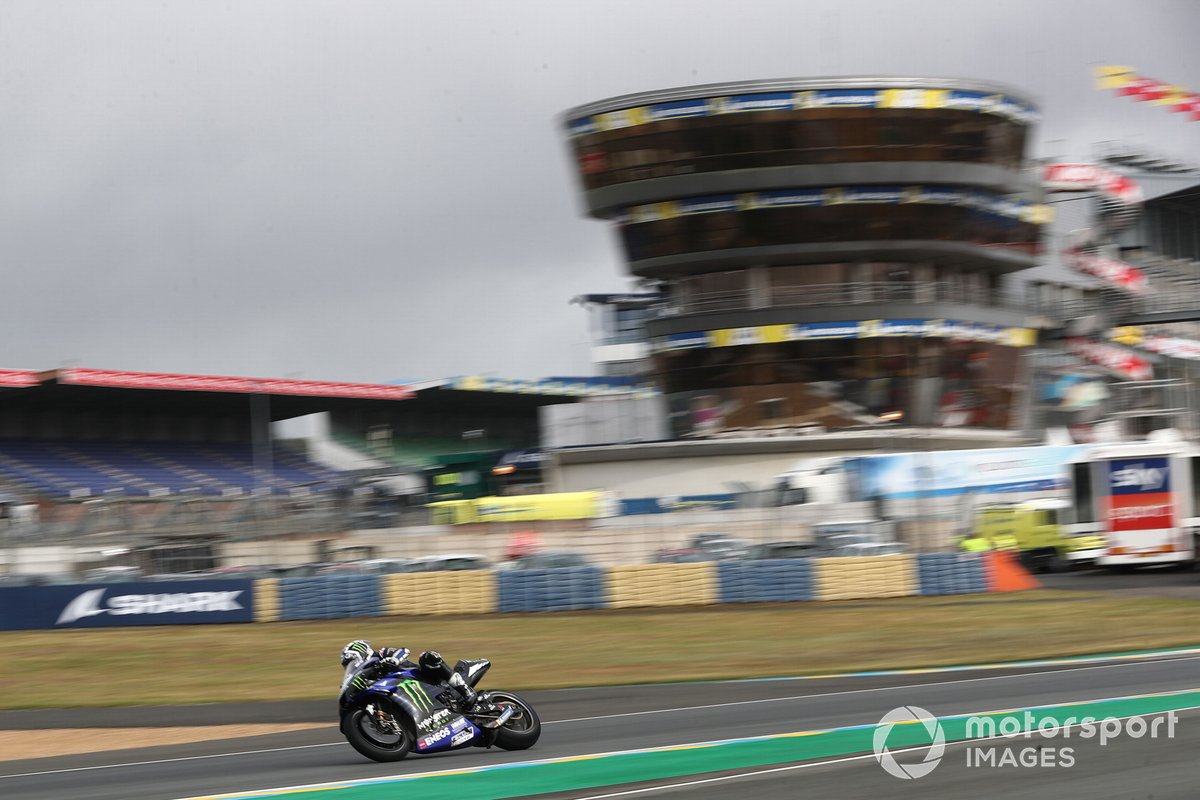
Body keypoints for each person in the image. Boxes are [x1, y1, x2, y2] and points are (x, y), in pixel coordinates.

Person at [340, 640, 479, 708]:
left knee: (427, 656)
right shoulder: (366, 675)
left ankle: (465, 691)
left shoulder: (380, 655)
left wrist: (393, 659)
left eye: (351, 660)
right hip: (406, 694)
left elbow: (404, 651)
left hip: (423, 677)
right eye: (348, 664)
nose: (350, 664)